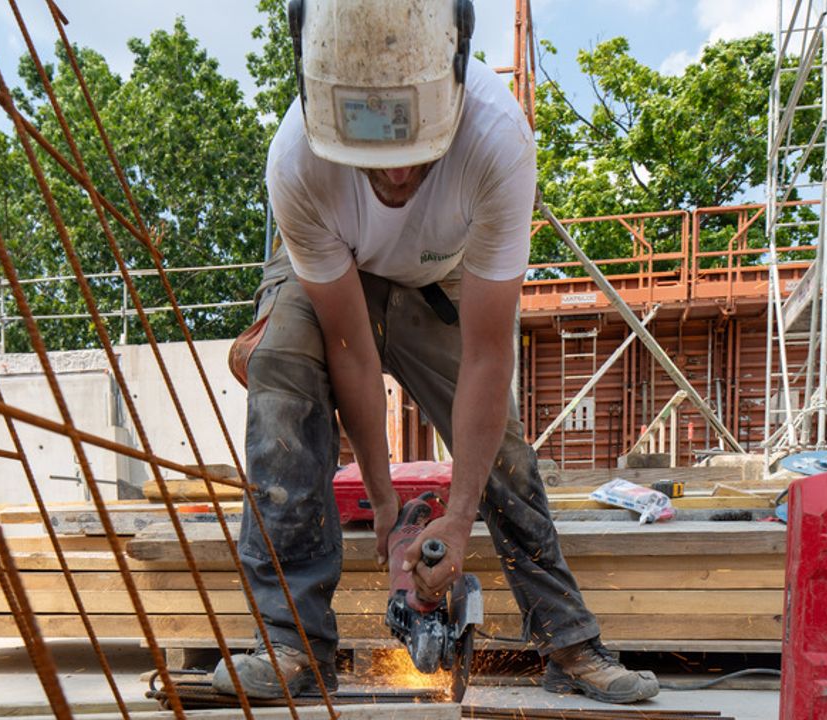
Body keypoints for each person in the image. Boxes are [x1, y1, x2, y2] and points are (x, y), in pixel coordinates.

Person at [214, 0, 659, 704]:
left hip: (439, 277)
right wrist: (386, 503)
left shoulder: (498, 139)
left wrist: (457, 515)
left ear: (448, 99)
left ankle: (568, 641)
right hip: (331, 271)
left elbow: (487, 359)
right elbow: (351, 351)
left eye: (415, 157)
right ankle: (291, 644)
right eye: (375, 164)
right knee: (282, 375)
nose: (395, 181)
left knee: (502, 447)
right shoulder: (297, 160)